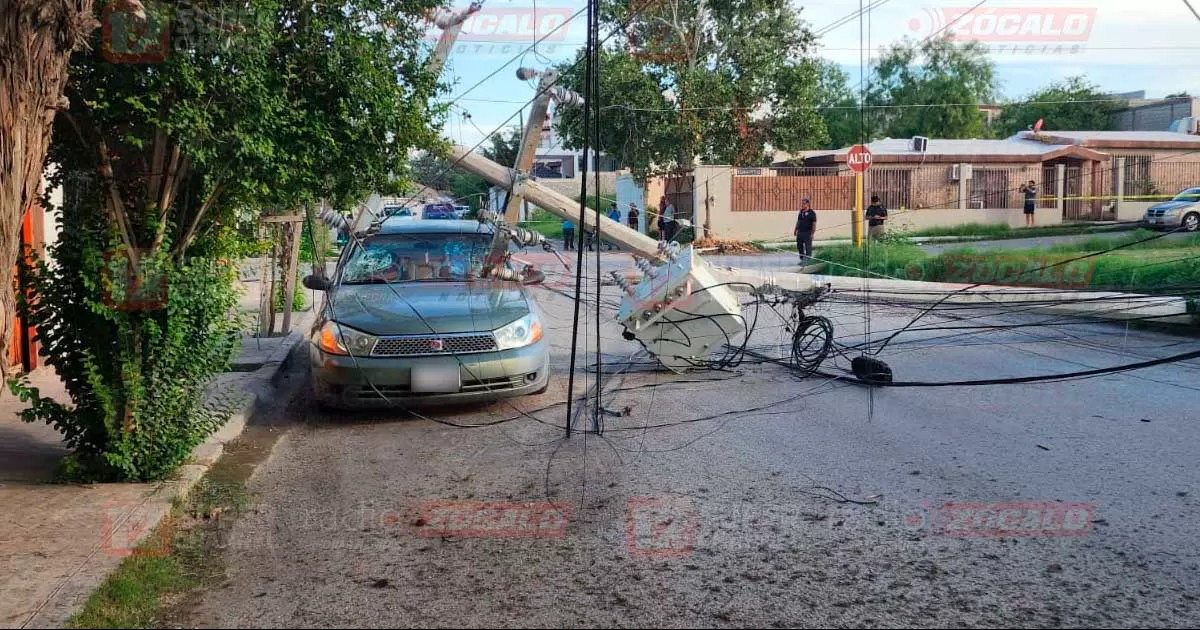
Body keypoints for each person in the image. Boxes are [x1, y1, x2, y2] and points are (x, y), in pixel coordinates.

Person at [794, 197, 817, 264]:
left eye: (804, 204)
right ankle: (802, 258)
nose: (802, 205)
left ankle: (808, 260)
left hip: (808, 233)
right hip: (800, 232)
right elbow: (798, 221)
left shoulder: (812, 213)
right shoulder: (801, 212)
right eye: (802, 204)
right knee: (799, 246)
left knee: (808, 247)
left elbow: (814, 224)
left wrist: (812, 233)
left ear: (808, 204)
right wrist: (795, 230)